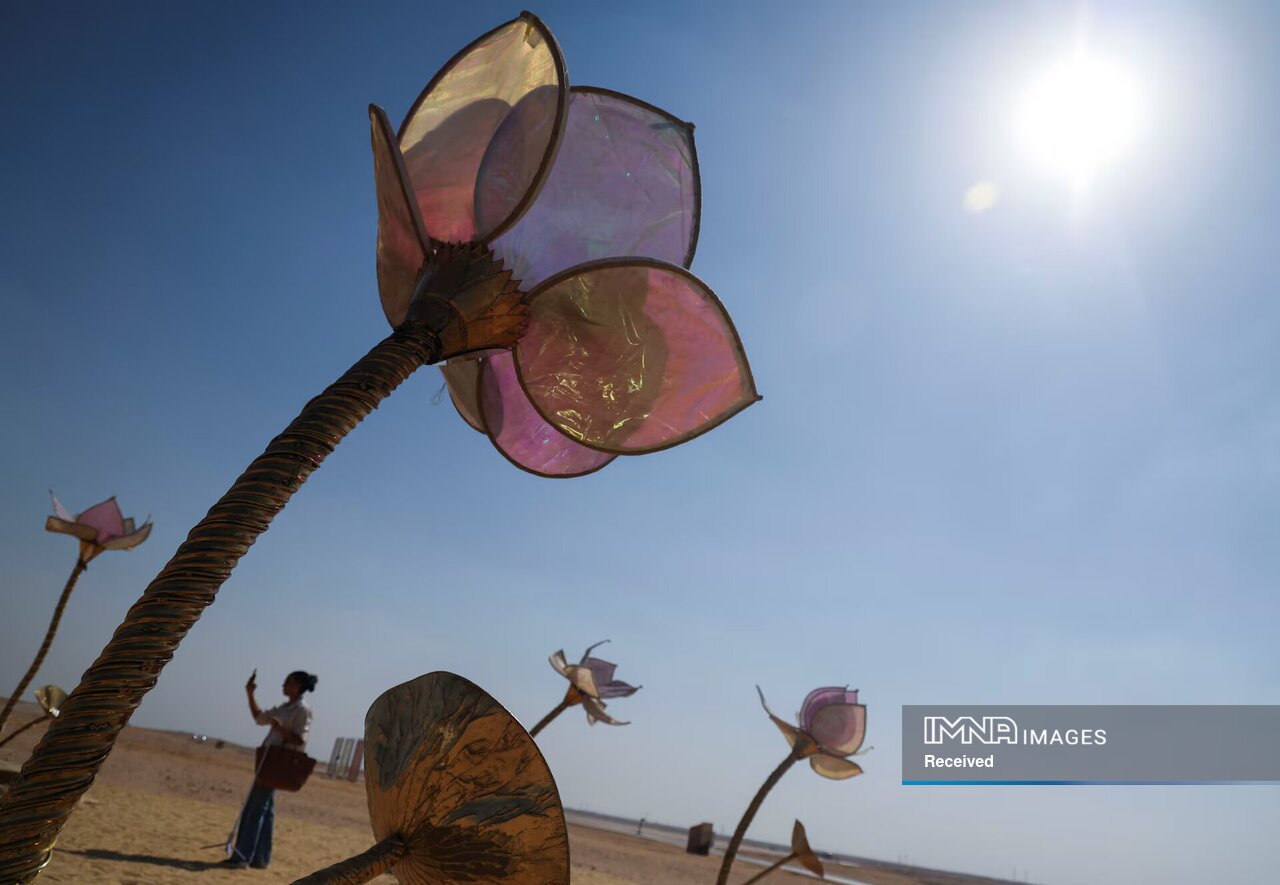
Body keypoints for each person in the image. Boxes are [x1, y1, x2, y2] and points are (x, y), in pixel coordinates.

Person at [224, 669, 317, 870]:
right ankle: (260, 858)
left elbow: (300, 739)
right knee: (266, 809)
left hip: (279, 762)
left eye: (288, 682)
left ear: (298, 686)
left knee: (255, 808)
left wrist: (280, 729)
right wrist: (250, 694)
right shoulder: (285, 707)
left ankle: (242, 856)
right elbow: (259, 718)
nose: (283, 685)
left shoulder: (303, 710)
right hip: (269, 759)